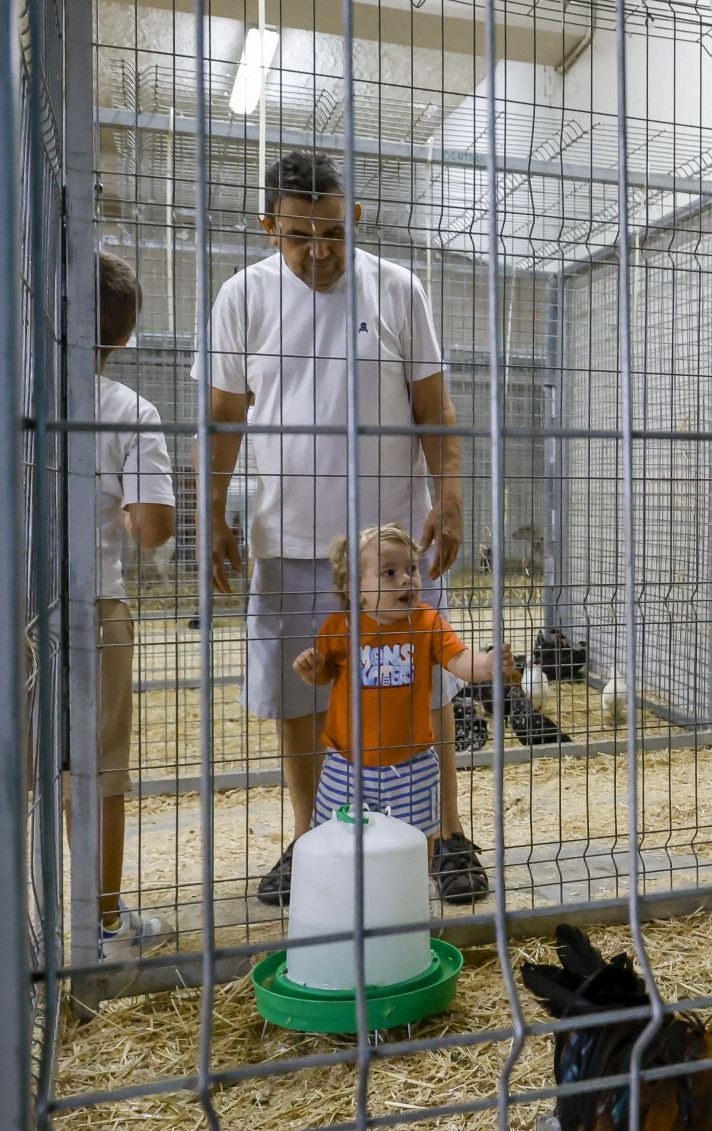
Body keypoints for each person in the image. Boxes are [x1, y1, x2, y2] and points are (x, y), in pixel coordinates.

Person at [194, 149, 486, 906]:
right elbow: (224, 417)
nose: (319, 251)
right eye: (299, 236)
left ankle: (445, 835)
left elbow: (435, 409)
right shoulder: (242, 298)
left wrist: (448, 497)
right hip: (286, 540)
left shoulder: (397, 288)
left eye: (331, 230)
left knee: (427, 690)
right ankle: (312, 840)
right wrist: (212, 509)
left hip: (389, 551)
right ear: (269, 228)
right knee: (303, 697)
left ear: (352, 215)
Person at [293, 525, 509, 902]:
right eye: (389, 573)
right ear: (354, 589)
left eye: (411, 568)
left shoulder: (427, 622)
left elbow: (458, 660)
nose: (406, 578)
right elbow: (325, 675)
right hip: (347, 764)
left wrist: (487, 664)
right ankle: (345, 895)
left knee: (417, 836)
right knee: (339, 835)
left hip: (412, 763)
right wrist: (311, 671)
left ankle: (410, 889)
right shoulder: (341, 626)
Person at [92, 251, 178, 960]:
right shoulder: (127, 408)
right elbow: (153, 528)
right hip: (93, 605)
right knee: (98, 772)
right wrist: (122, 513)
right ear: (122, 337)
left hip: (0, 606)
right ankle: (103, 921)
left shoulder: (5, 391)